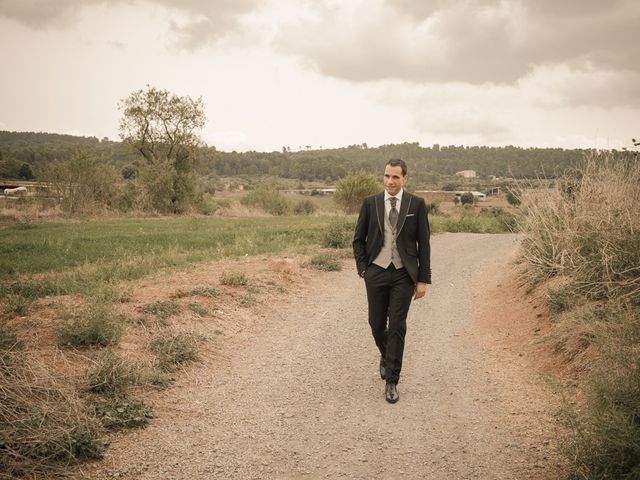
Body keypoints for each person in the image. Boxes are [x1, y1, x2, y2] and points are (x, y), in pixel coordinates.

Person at [353, 158, 431, 403]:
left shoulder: (416, 204)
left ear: (405, 179)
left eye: (395, 177)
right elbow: (358, 239)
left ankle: (392, 381)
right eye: (387, 176)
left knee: (397, 325)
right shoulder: (370, 203)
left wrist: (422, 279)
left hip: (402, 273)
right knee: (376, 324)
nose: (390, 181)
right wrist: (364, 269)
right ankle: (387, 356)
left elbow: (424, 243)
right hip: (376, 271)